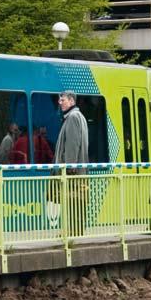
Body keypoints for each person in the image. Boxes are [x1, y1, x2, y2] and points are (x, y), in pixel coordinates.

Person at [54, 91, 89, 238]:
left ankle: (72, 231)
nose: (59, 102)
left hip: (72, 171)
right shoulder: (77, 116)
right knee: (77, 202)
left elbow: (72, 145)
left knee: (72, 201)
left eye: (62, 100)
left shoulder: (73, 117)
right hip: (78, 170)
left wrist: (70, 166)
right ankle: (76, 231)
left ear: (71, 101)